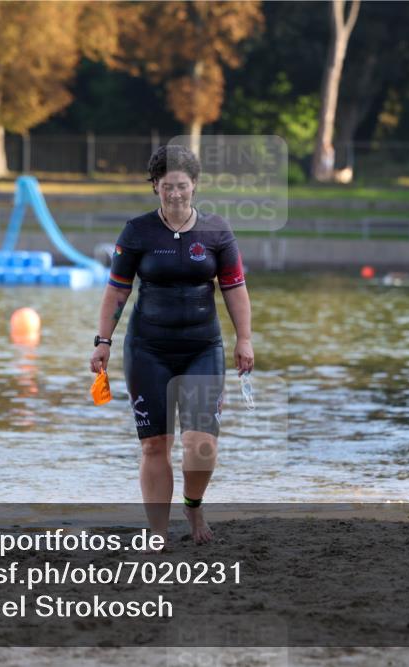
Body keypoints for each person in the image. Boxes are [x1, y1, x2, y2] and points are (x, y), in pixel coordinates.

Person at [90, 144, 254, 547]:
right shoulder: (137, 231)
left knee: (200, 446)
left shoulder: (217, 231)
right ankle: (158, 534)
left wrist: (244, 339)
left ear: (195, 186)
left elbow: (234, 288)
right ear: (155, 188)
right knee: (154, 444)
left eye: (182, 186)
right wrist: (103, 341)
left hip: (202, 348)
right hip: (147, 349)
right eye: (167, 187)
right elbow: (116, 292)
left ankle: (193, 505)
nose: (175, 194)